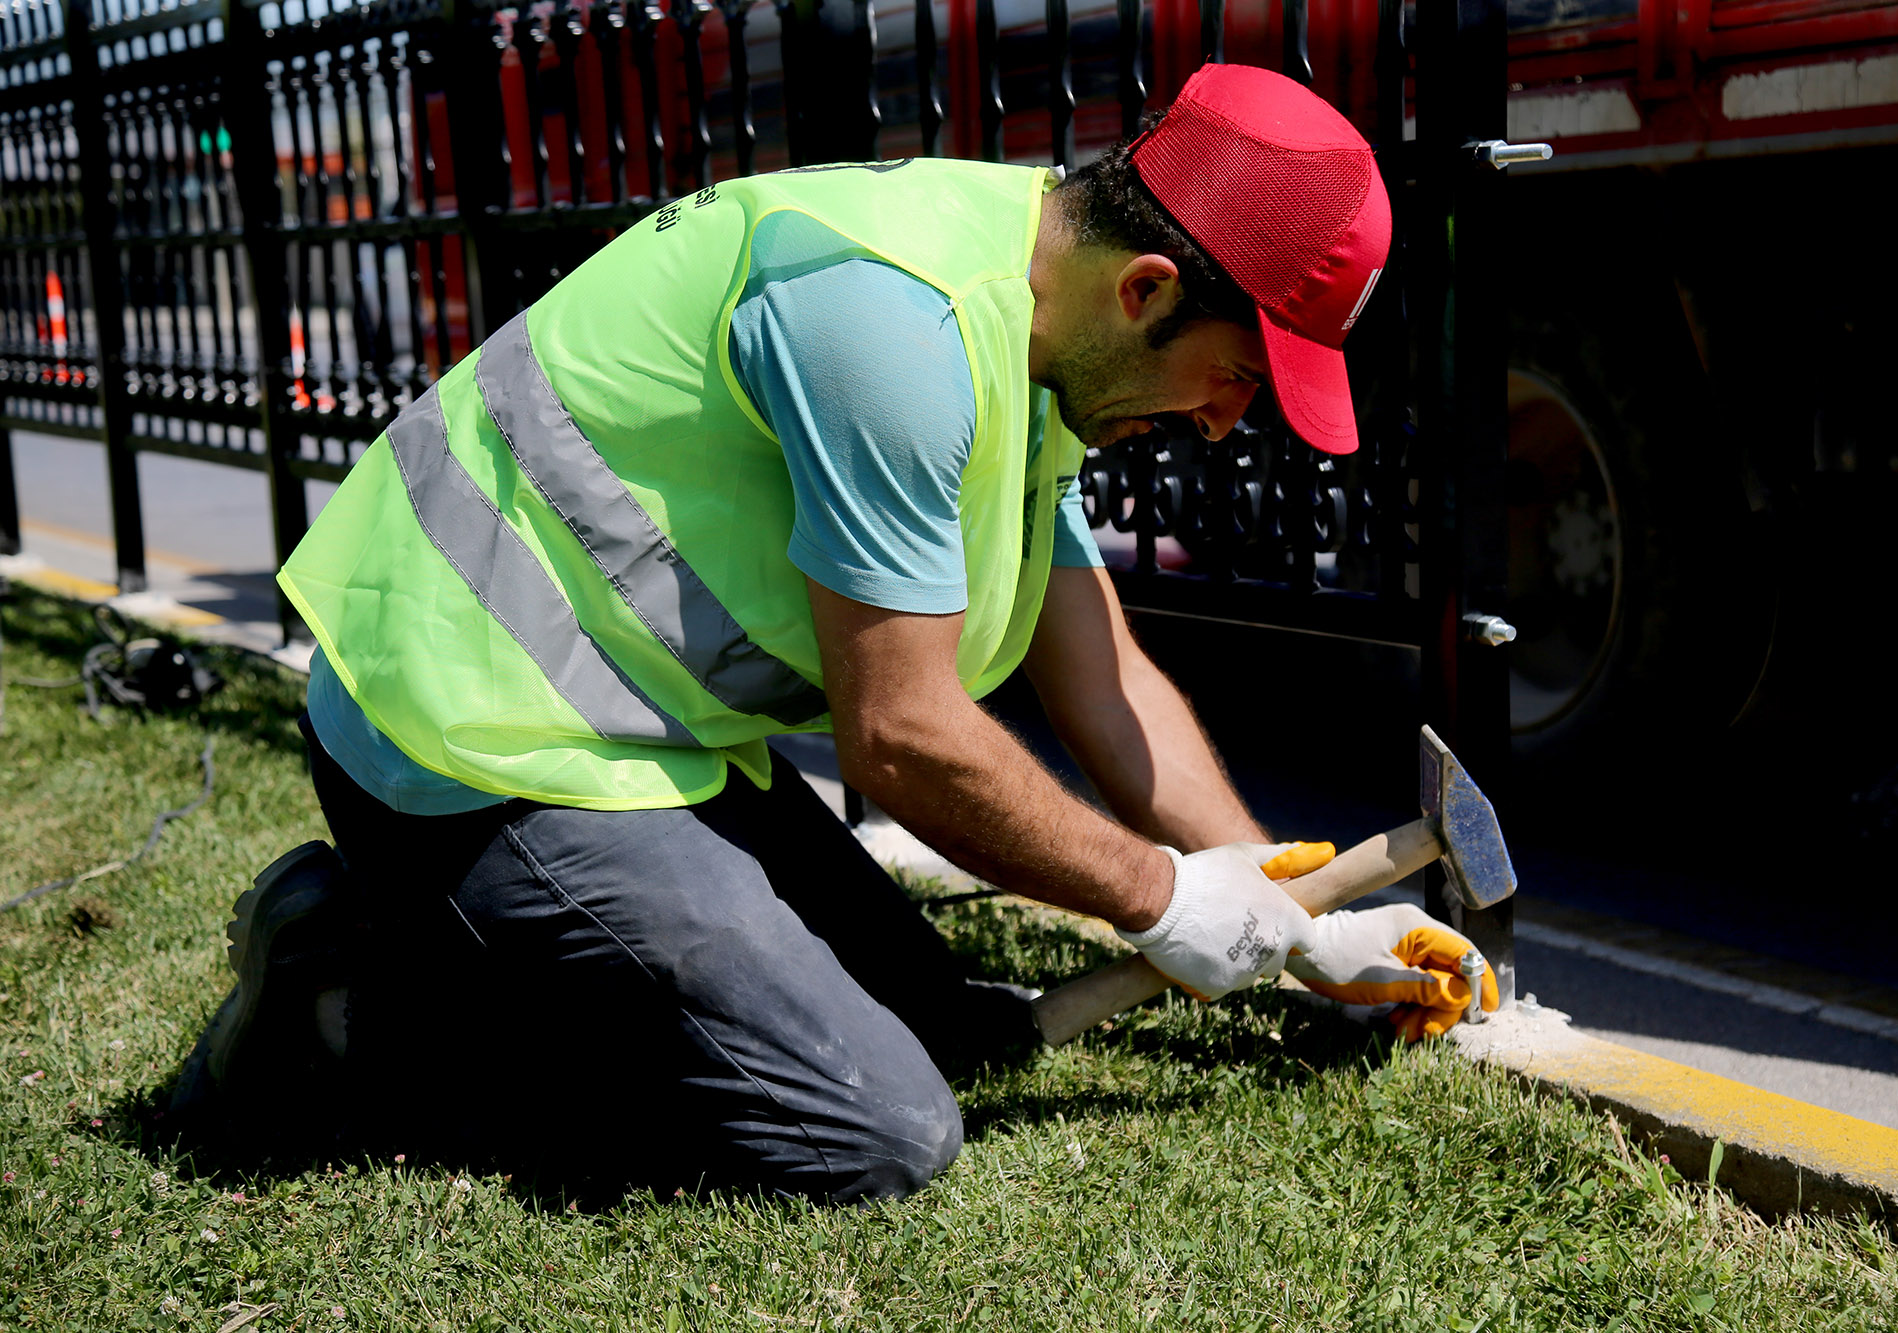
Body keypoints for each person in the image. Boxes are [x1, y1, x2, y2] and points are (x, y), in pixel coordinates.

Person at [176, 63, 1497, 1202]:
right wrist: (1156, 898)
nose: (1227, 422)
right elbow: (905, 734)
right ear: (1149, 288)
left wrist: (1283, 906)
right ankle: (358, 998)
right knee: (873, 1127)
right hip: (461, 737)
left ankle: (481, 966)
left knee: (960, 1039)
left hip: (623, 736)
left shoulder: (1040, 317)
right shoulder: (898, 326)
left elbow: (1104, 676)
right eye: (1242, 379)